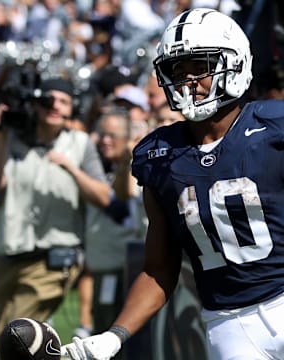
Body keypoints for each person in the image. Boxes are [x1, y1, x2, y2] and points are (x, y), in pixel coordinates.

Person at [62, 8, 284, 360]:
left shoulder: (274, 127)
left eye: (200, 67)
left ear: (234, 63)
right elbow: (158, 267)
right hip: (229, 324)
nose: (188, 81)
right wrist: (114, 336)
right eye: (178, 71)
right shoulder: (159, 154)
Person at [0, 76, 111, 358]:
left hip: (52, 258)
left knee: (16, 334)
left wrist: (72, 169)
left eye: (63, 101)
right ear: (35, 104)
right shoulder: (14, 138)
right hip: (9, 252)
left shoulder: (79, 144)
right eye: (48, 100)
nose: (55, 107)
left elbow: (104, 196)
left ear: (72, 108)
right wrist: (1, 133)